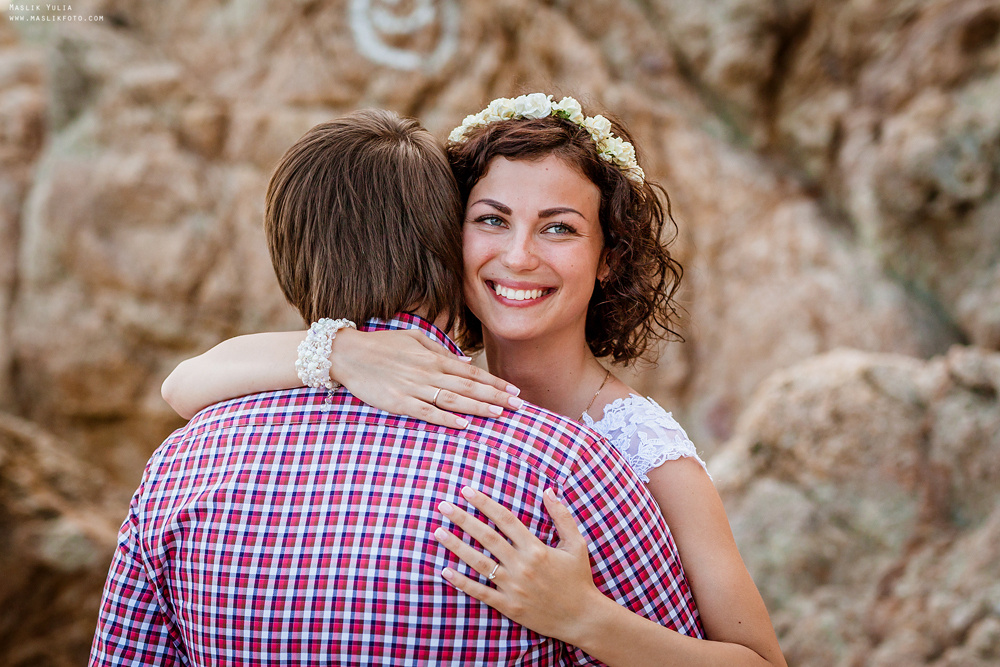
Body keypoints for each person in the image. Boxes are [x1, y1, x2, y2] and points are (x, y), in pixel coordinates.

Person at [161, 95, 786, 666]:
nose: (518, 256)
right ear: (443, 238)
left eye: (559, 227)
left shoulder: (644, 447)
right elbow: (184, 385)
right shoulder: (408, 382)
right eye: (491, 220)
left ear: (609, 258)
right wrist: (339, 352)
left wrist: (584, 618)